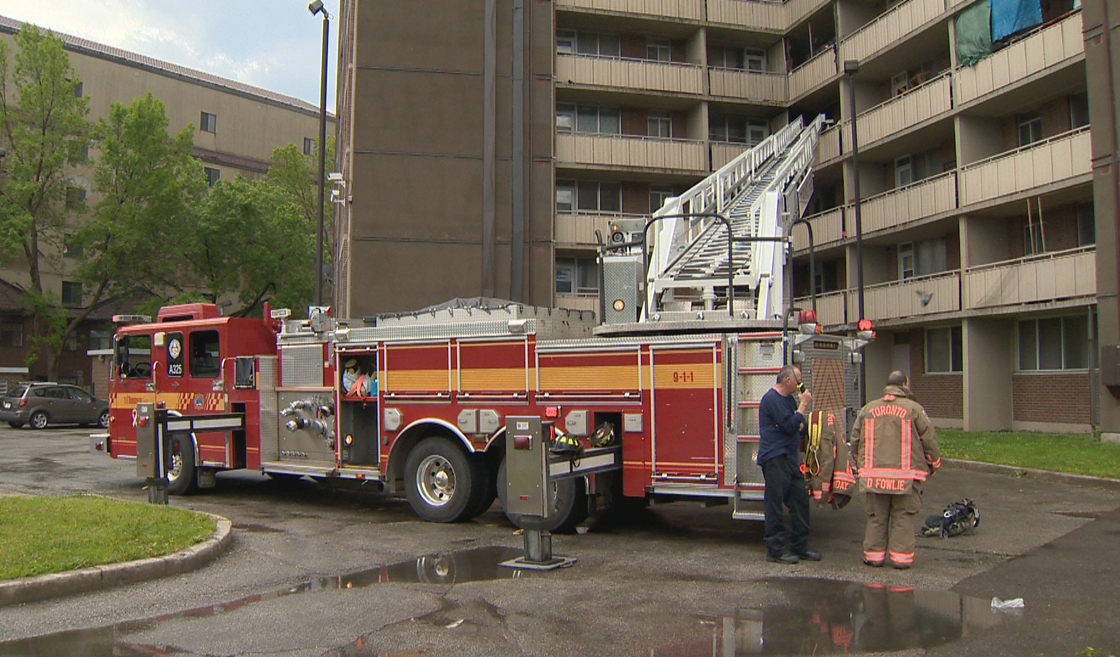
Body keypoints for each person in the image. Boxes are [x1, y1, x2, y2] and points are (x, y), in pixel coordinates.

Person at [849, 371, 940, 569]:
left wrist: (859, 463)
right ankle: (901, 559)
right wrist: (934, 463)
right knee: (903, 517)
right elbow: (929, 439)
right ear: (904, 385)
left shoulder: (868, 409)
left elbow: (855, 440)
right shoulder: (914, 409)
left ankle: (874, 557)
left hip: (873, 477)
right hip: (905, 478)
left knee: (876, 517)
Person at [757, 365, 820, 564]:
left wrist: (798, 420)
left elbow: (800, 427)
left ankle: (800, 546)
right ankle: (775, 551)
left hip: (790, 459)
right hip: (775, 458)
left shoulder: (788, 400)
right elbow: (790, 425)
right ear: (787, 380)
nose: (800, 386)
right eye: (798, 381)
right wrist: (802, 407)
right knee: (774, 504)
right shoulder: (771, 399)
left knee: (800, 500)